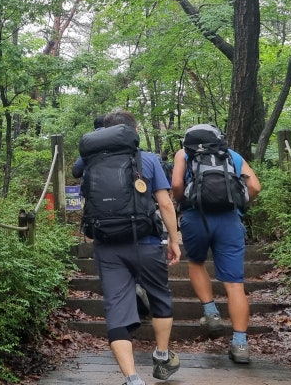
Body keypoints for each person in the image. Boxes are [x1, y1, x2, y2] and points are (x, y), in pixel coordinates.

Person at [80, 109, 181, 384]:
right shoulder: (146, 159)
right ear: (133, 132)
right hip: (146, 242)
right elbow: (164, 203)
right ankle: (161, 355)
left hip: (107, 245)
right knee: (160, 296)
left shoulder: (90, 161)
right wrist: (174, 239)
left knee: (116, 310)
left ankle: (132, 379)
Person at [170, 125, 262, 364]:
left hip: (195, 217)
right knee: (234, 285)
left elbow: (177, 185)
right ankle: (240, 344)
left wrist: (184, 204)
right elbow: (255, 187)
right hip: (230, 221)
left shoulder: (184, 154)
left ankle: (211, 313)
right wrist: (238, 204)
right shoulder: (232, 155)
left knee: (196, 262)